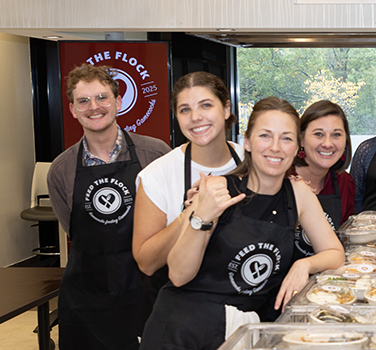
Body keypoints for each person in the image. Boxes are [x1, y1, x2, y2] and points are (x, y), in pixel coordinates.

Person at [140, 97, 345, 350]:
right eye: (265, 136)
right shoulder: (217, 190)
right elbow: (179, 275)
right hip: (183, 330)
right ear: (247, 142)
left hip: (242, 332)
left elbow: (335, 254)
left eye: (286, 138)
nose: (276, 147)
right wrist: (201, 217)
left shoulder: (298, 194)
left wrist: (305, 265)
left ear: (297, 147)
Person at [46, 63, 171, 350]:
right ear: (72, 109)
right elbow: (73, 230)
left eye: (102, 97)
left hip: (147, 293)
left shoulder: (156, 154)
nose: (94, 106)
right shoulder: (61, 170)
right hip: (87, 300)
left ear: (118, 101)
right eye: (84, 100)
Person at [133, 71, 243, 324]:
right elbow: (147, 263)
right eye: (185, 109)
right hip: (181, 318)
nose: (196, 117)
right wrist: (189, 215)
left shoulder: (251, 162)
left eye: (206, 105)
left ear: (226, 109)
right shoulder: (157, 176)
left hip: (246, 308)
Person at [290, 100, 355, 258]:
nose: (328, 143)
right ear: (301, 139)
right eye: (319, 134)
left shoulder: (345, 183)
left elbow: (346, 241)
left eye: (336, 135)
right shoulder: (281, 180)